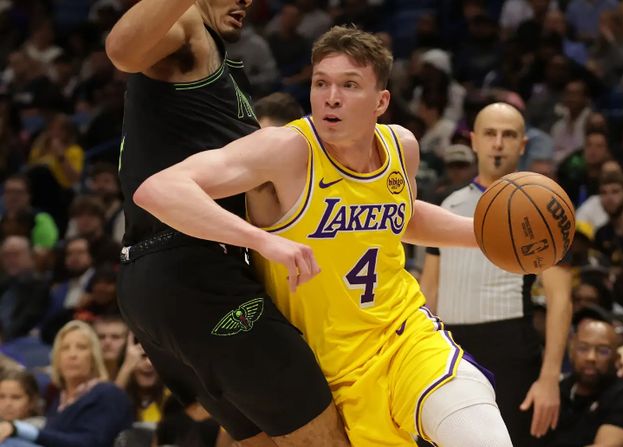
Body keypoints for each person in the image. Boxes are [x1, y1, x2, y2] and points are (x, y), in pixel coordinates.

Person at [134, 25, 512, 447]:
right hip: (328, 375)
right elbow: (158, 190)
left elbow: (401, 217)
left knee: (481, 431)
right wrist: (261, 239)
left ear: (381, 102)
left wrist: (486, 236)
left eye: (349, 85)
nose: (331, 97)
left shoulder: (401, 145)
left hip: (405, 336)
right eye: (320, 83)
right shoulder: (286, 149)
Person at [105, 1, 348, 445]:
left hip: (150, 280)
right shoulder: (188, 25)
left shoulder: (214, 69)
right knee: (325, 439)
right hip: (196, 271)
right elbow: (121, 51)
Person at [419, 102, 572, 446]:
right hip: (449, 346)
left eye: (509, 135)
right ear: (474, 140)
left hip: (512, 348)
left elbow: (561, 298)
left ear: (523, 145)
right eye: (490, 134)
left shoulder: (545, 205)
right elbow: (428, 290)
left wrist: (550, 378)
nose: (498, 143)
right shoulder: (446, 202)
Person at [0, 320, 134, 447]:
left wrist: (21, 430)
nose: (72, 354)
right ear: (56, 357)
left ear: (94, 356)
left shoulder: (109, 394)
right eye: (65, 348)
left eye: (81, 347)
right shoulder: (58, 397)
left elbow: (90, 443)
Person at [538, 306, 623, 447]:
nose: (591, 357)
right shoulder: (557, 391)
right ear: (571, 352)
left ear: (617, 359)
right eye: (583, 348)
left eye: (603, 351)